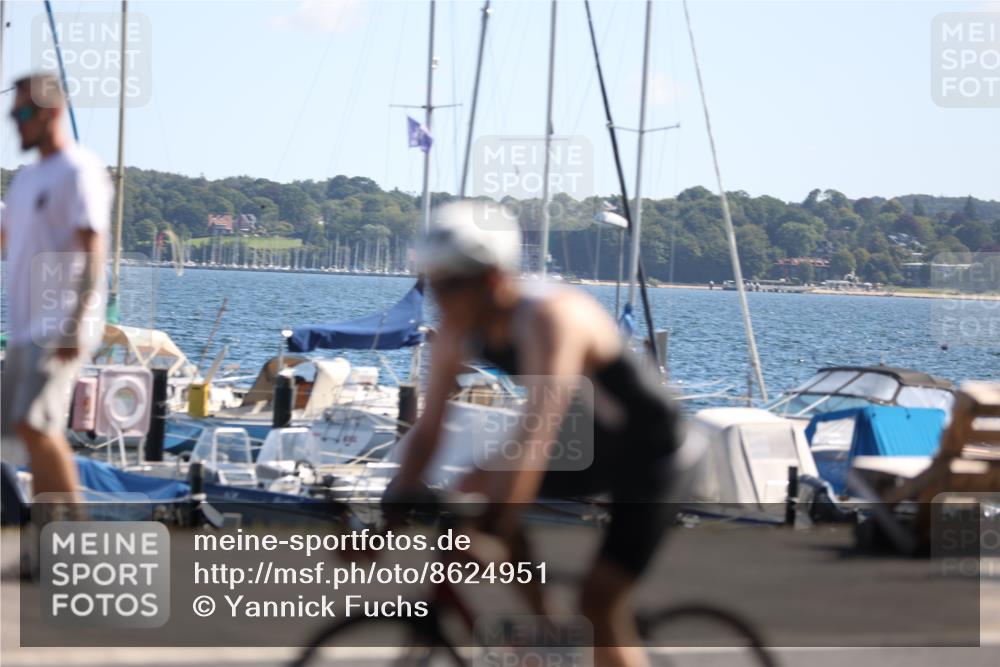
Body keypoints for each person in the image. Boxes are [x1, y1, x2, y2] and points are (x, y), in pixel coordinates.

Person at [392, 200, 684, 667]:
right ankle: (549, 633)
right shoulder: (459, 325)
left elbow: (539, 427)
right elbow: (428, 430)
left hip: (650, 455)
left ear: (490, 280)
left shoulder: (551, 316)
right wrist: (389, 514)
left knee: (600, 601)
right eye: (432, 285)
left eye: (447, 286)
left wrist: (496, 523)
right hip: (587, 448)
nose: (437, 299)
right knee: (468, 493)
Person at [0, 73, 113, 499]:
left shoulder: (78, 170)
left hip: (61, 322)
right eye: (12, 114)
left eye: (24, 113)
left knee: (35, 424)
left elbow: (93, 248)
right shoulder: (27, 179)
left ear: (51, 112)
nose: (16, 123)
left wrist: (74, 323)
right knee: (23, 435)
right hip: (27, 330)